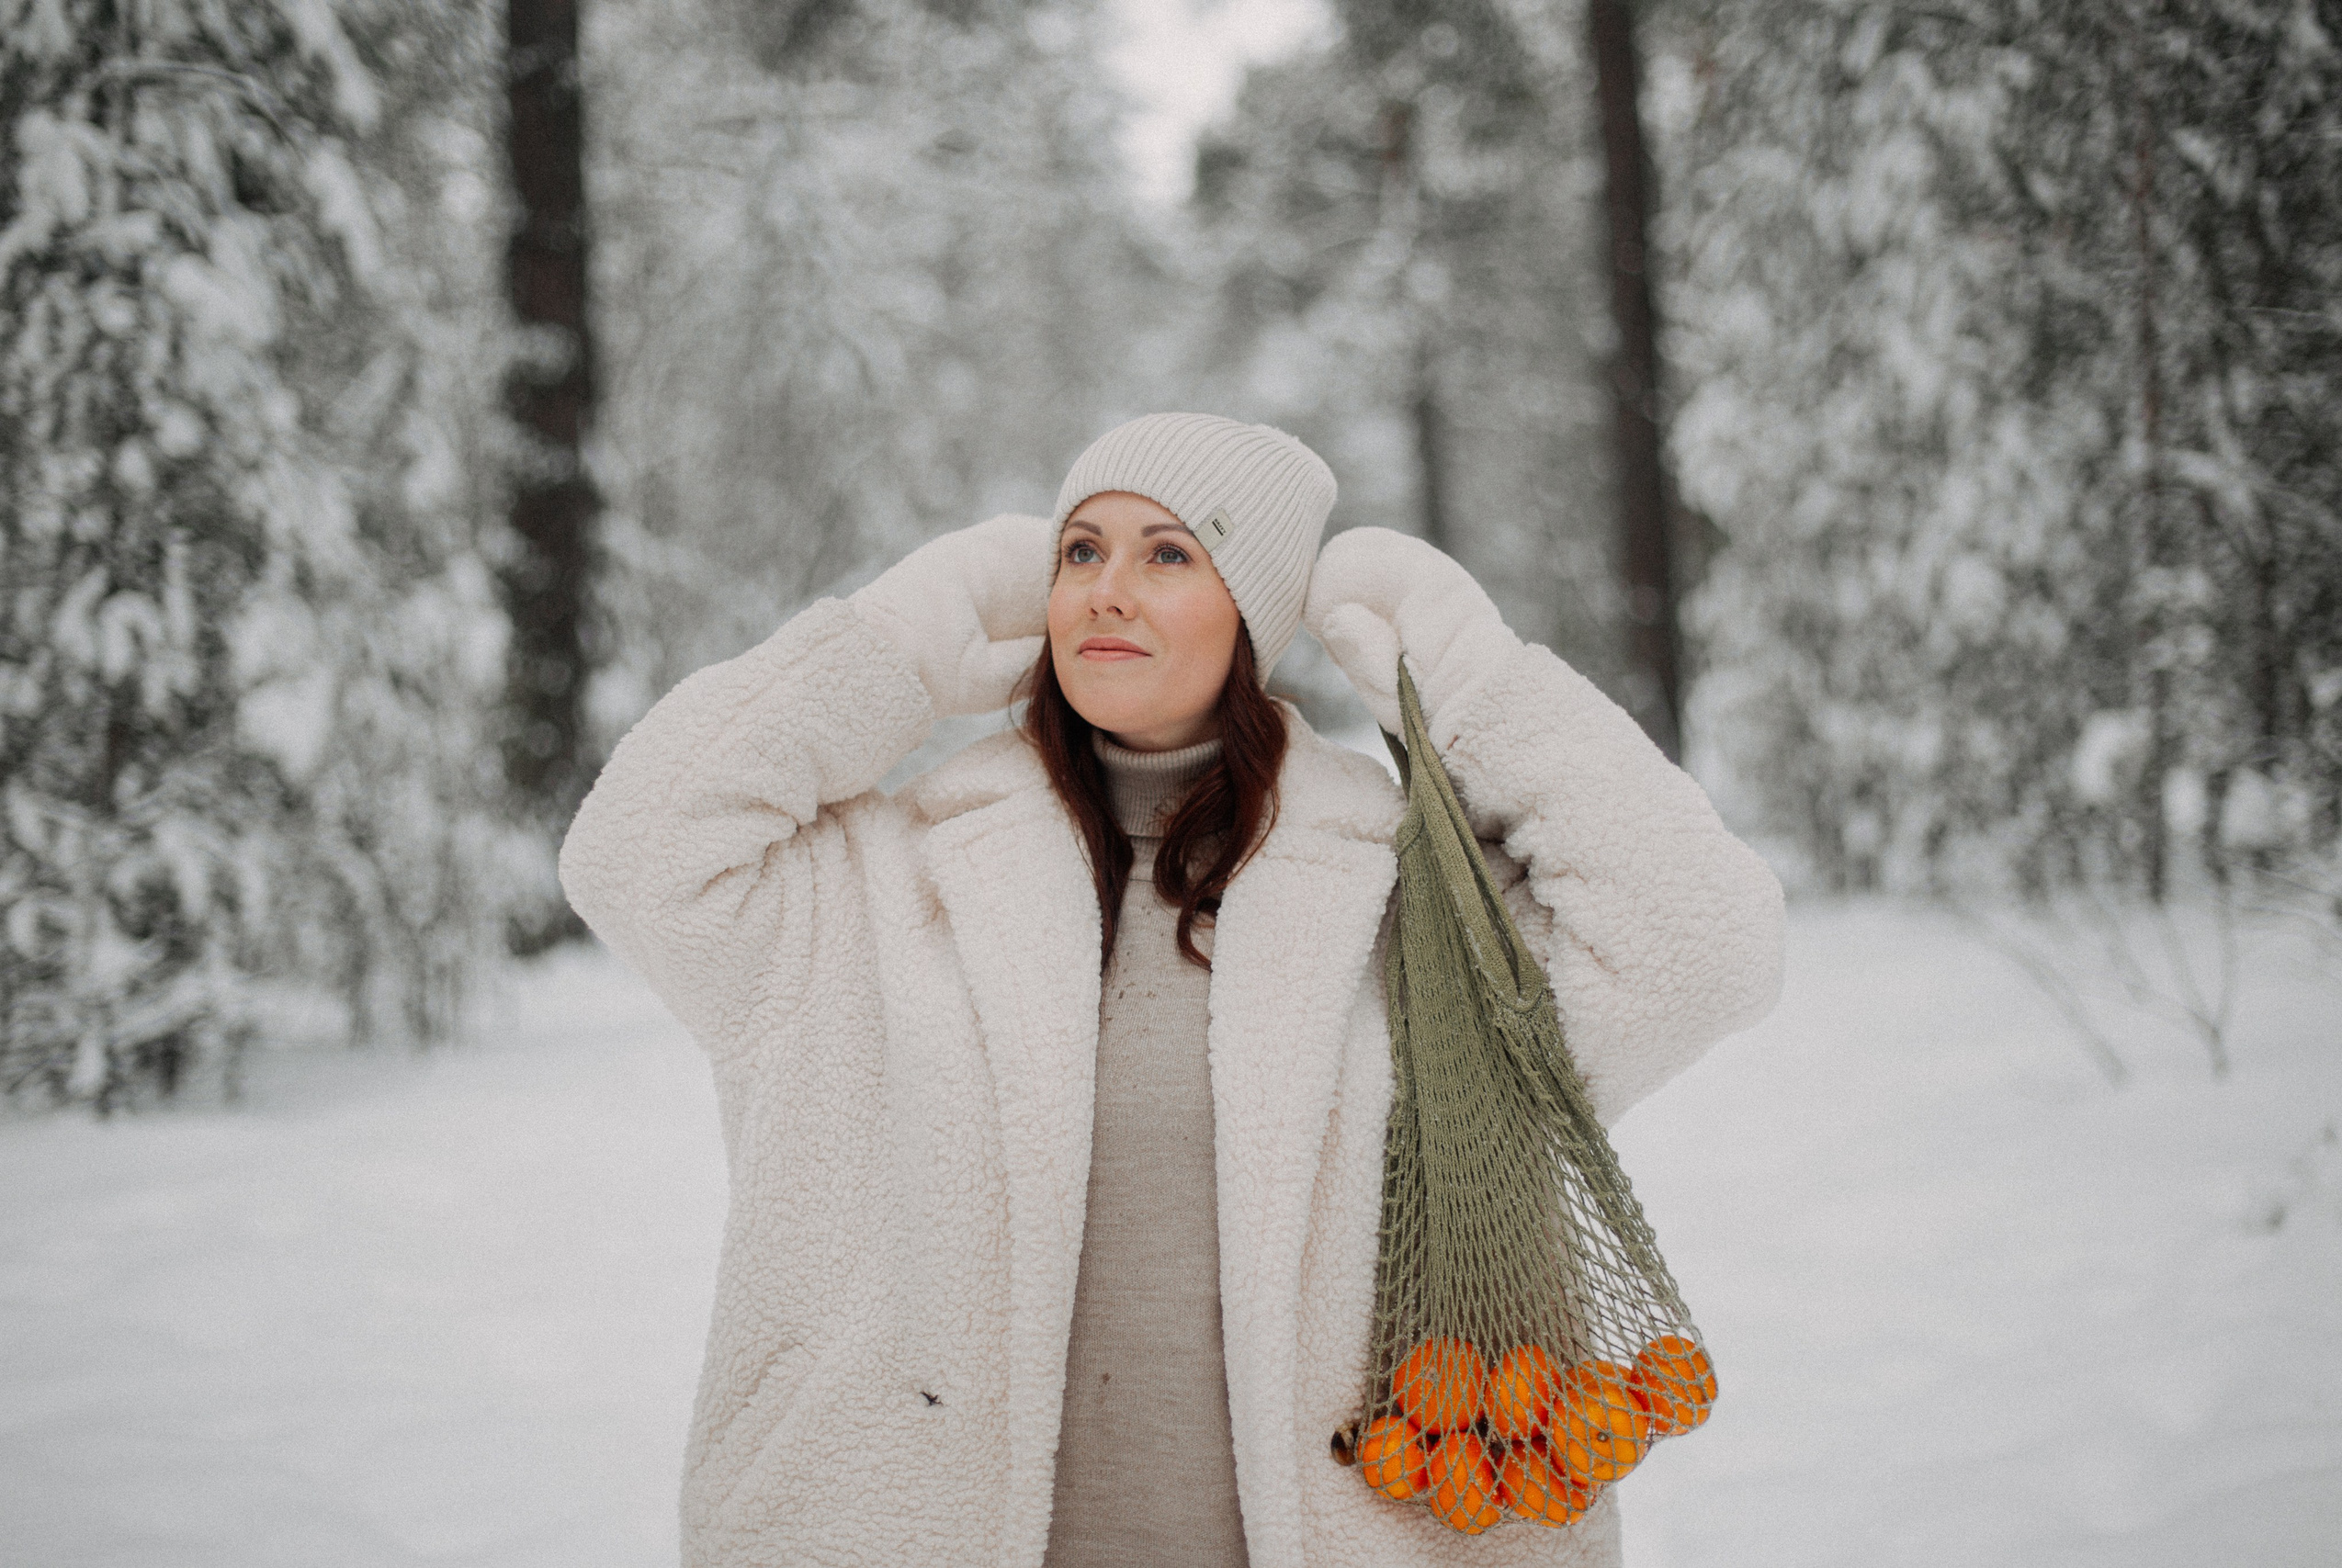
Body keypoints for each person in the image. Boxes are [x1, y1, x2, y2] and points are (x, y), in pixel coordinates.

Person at [559, 412, 1784, 1568]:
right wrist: (895, 642)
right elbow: (636, 851)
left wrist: (1475, 685)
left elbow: (1703, 940)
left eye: (1168, 554)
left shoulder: (1411, 910)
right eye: (1081, 548)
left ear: (1251, 619)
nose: (1106, 586)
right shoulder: (883, 889)